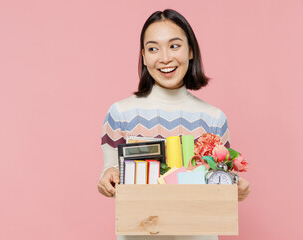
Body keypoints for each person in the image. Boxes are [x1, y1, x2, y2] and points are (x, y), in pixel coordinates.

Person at [97, 9, 250, 240]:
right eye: (153, 48)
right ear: (144, 56)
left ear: (191, 51)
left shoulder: (213, 118)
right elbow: (111, 172)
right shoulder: (121, 113)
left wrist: (236, 188)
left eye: (174, 45)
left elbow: (220, 180)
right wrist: (107, 178)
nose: (165, 58)